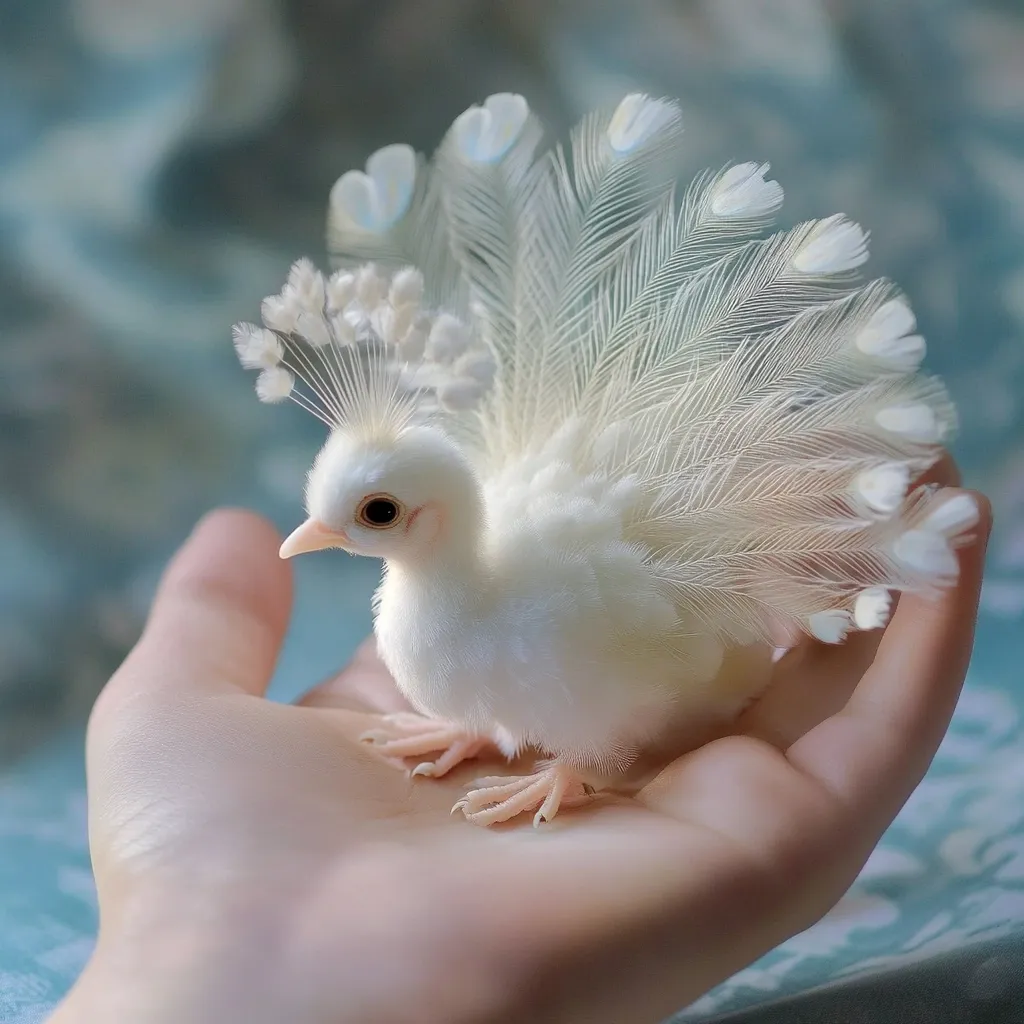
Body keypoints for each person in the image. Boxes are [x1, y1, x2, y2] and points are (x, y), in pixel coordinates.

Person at [49, 478, 990, 1024]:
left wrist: (573, 759)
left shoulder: (526, 610)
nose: (325, 535)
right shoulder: (444, 616)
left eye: (371, 514)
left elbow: (630, 687)